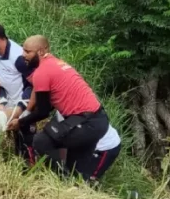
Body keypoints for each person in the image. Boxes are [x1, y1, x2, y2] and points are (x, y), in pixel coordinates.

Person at [7, 35, 109, 177]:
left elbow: (43, 112)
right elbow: (48, 106)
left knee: (41, 141)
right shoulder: (56, 63)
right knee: (77, 172)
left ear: (41, 51)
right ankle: (74, 186)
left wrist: (21, 122)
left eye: (28, 51)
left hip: (86, 123)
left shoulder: (41, 72)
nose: (23, 55)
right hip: (98, 120)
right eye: (23, 50)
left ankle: (61, 178)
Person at [0, 22, 35, 162]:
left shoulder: (19, 58)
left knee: (23, 141)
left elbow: (35, 85)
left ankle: (27, 162)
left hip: (23, 99)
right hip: (5, 96)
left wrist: (22, 109)